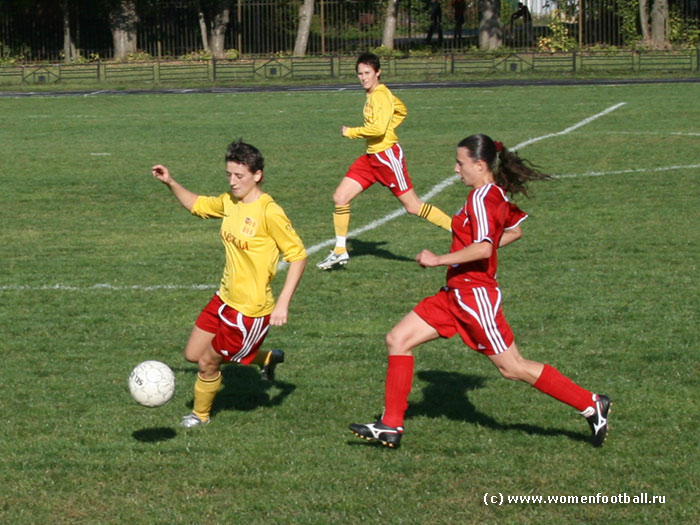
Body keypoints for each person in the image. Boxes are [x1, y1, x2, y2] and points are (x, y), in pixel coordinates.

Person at [349, 134, 611, 448]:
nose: (456, 169)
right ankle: (390, 426)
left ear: (479, 164)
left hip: (475, 298)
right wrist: (468, 255)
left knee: (513, 368)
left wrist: (439, 259)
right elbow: (514, 231)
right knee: (398, 339)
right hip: (453, 294)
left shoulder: (482, 198)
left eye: (460, 163)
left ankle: (591, 404)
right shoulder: (493, 194)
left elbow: (484, 248)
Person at [151, 139, 307, 427]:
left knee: (208, 363)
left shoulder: (269, 212)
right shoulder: (230, 201)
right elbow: (197, 205)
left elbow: (298, 256)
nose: (233, 182)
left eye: (239, 176)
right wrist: (170, 182)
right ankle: (266, 358)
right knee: (192, 354)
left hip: (250, 311)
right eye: (229, 175)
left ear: (257, 175)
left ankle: (200, 416)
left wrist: (283, 303)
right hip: (223, 298)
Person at [317, 52, 452, 270]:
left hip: (387, 157)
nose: (363, 77)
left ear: (378, 72)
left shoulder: (380, 94)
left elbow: (378, 129)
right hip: (371, 157)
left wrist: (351, 132)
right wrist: (389, 125)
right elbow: (401, 110)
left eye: (367, 73)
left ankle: (459, 230)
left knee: (413, 206)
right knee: (340, 196)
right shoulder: (375, 94)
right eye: (360, 73)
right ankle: (340, 251)